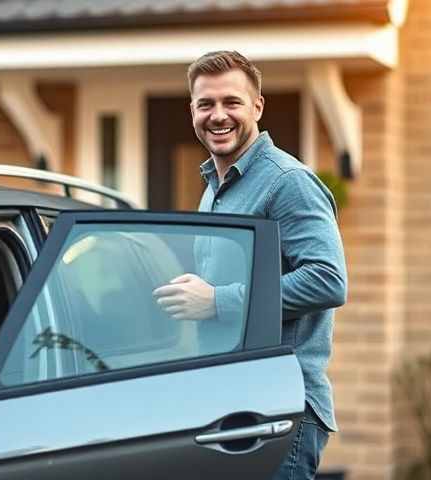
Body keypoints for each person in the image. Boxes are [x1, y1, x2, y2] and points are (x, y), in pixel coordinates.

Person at [152, 50, 348, 479]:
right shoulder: (214, 189)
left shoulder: (287, 182)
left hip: (281, 405)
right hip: (235, 399)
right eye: (206, 104)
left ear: (257, 106)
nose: (217, 115)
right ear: (192, 111)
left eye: (231, 102)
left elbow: (328, 280)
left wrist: (216, 301)